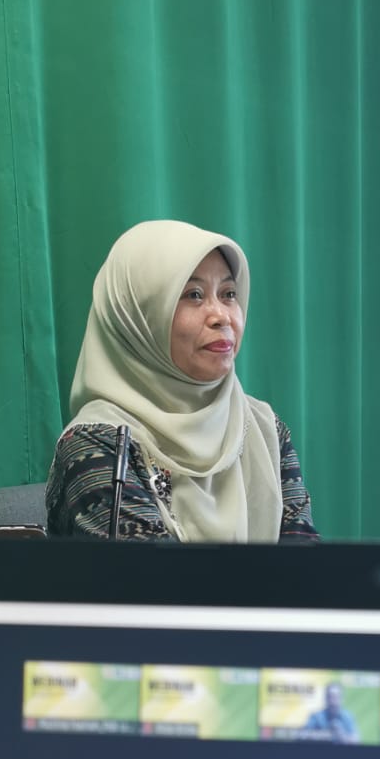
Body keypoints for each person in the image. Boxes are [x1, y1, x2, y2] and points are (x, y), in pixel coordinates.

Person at [46, 221, 319, 542]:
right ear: (138, 316)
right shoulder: (99, 445)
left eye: (229, 294)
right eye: (194, 295)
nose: (221, 316)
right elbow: (150, 574)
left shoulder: (265, 429)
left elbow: (305, 562)